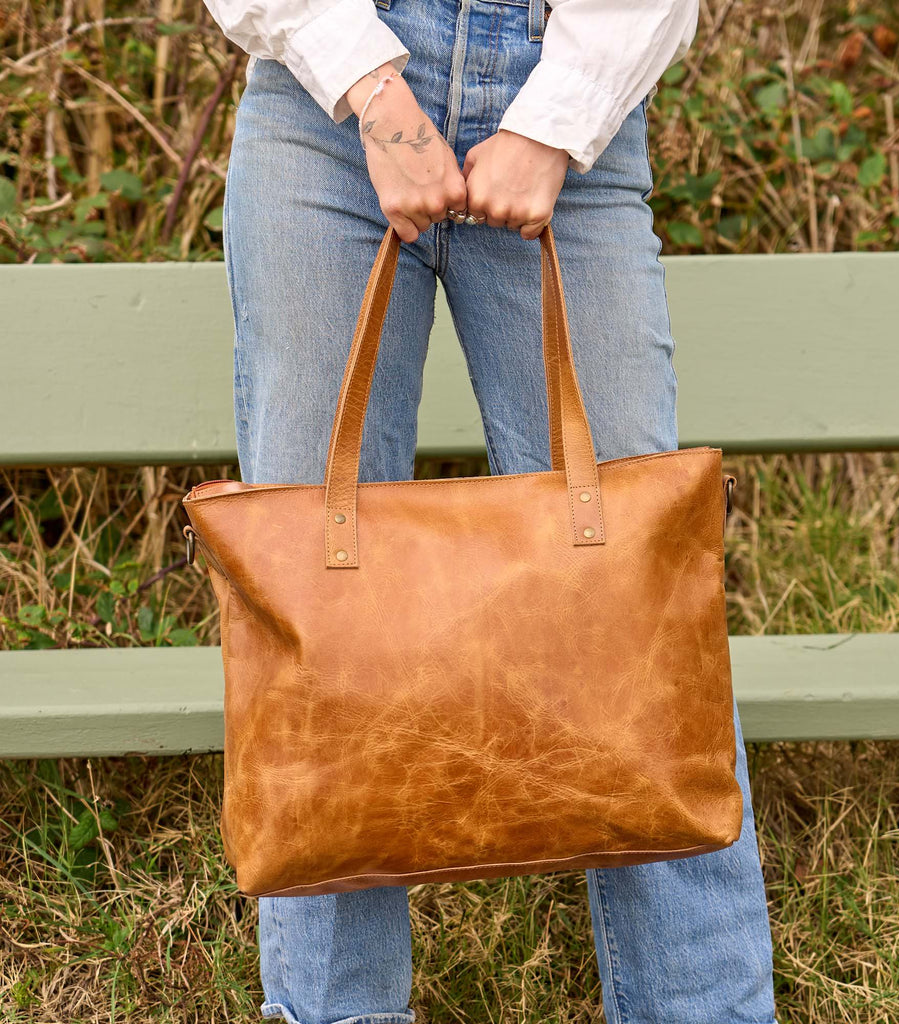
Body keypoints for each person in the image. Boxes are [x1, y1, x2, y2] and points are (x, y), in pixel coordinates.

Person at [201, 0, 781, 1020]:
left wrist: (553, 119)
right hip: (323, 106)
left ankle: (703, 1008)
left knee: (638, 601)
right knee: (316, 619)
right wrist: (376, 91)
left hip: (570, 81)